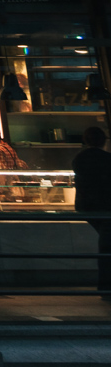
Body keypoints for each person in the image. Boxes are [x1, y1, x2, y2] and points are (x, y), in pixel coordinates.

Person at [72, 126, 111, 300]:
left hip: (86, 208)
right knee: (106, 247)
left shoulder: (79, 159)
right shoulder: (106, 159)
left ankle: (105, 288)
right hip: (106, 209)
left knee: (106, 245)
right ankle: (105, 288)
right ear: (103, 141)